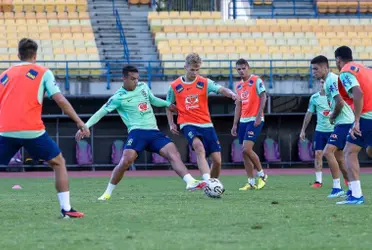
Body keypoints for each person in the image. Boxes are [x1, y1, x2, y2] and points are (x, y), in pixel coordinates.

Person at [76, 65, 206, 201]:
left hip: (154, 132)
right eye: (132, 79)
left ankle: (190, 182)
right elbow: (101, 112)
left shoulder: (143, 87)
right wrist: (85, 126)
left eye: (137, 79)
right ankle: (107, 193)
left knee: (172, 152)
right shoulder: (118, 97)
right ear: (124, 78)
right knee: (126, 161)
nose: (135, 82)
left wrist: (168, 104)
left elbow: (153, 100)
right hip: (137, 132)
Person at [0, 38, 89, 218]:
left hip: (6, 129)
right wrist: (79, 122)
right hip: (32, 130)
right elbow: (61, 101)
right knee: (58, 163)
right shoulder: (43, 72)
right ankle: (66, 209)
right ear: (35, 55)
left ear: (18, 55)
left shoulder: (4, 75)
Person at [166, 53, 237, 181]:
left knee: (217, 161)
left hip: (206, 124)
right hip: (187, 123)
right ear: (185, 67)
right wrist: (171, 123)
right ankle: (206, 181)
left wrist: (232, 94)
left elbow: (221, 89)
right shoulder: (175, 86)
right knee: (199, 147)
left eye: (197, 69)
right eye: (192, 69)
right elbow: (168, 105)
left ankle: (212, 185)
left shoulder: (204, 82)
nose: (195, 72)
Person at [310, 55, 352, 198]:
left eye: (316, 69)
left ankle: (337, 188)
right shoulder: (330, 80)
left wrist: (333, 116)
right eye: (312, 69)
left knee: (328, 152)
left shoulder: (331, 81)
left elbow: (339, 102)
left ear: (325, 68)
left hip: (345, 121)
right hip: (342, 122)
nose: (313, 72)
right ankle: (352, 187)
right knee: (340, 159)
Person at [335, 46, 372, 205]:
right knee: (370, 151)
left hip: (367, 115)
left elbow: (358, 93)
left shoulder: (346, 71)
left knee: (349, 151)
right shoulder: (365, 69)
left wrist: (356, 120)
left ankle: (356, 195)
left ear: (338, 60)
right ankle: (353, 193)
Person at [231, 59, 268, 190]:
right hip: (243, 121)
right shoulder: (238, 86)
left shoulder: (256, 80)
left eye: (243, 68)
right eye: (238, 69)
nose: (241, 71)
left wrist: (259, 115)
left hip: (254, 119)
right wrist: (235, 124)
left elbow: (264, 96)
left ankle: (262, 175)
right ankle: (251, 182)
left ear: (248, 67)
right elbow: (238, 105)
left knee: (247, 148)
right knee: (244, 153)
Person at [300, 79, 334, 188]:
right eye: (321, 82)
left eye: (325, 82)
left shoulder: (335, 96)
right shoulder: (314, 98)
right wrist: (303, 130)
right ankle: (318, 181)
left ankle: (344, 180)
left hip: (334, 130)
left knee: (339, 156)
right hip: (320, 131)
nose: (323, 84)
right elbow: (309, 114)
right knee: (318, 154)